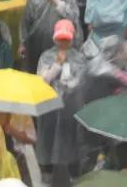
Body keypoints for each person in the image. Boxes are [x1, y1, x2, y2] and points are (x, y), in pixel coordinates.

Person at [35, 19, 86, 182]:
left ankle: (74, 173)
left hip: (71, 107)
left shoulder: (79, 57)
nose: (63, 43)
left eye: (66, 39)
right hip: (50, 106)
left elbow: (82, 81)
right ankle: (47, 171)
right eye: (60, 39)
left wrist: (70, 87)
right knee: (48, 137)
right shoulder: (46, 56)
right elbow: (41, 80)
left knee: (72, 139)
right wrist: (57, 64)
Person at [19, 0, 80, 70]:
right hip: (36, 43)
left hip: (61, 43)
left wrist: (58, 3)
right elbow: (25, 21)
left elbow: (74, 17)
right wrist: (22, 43)